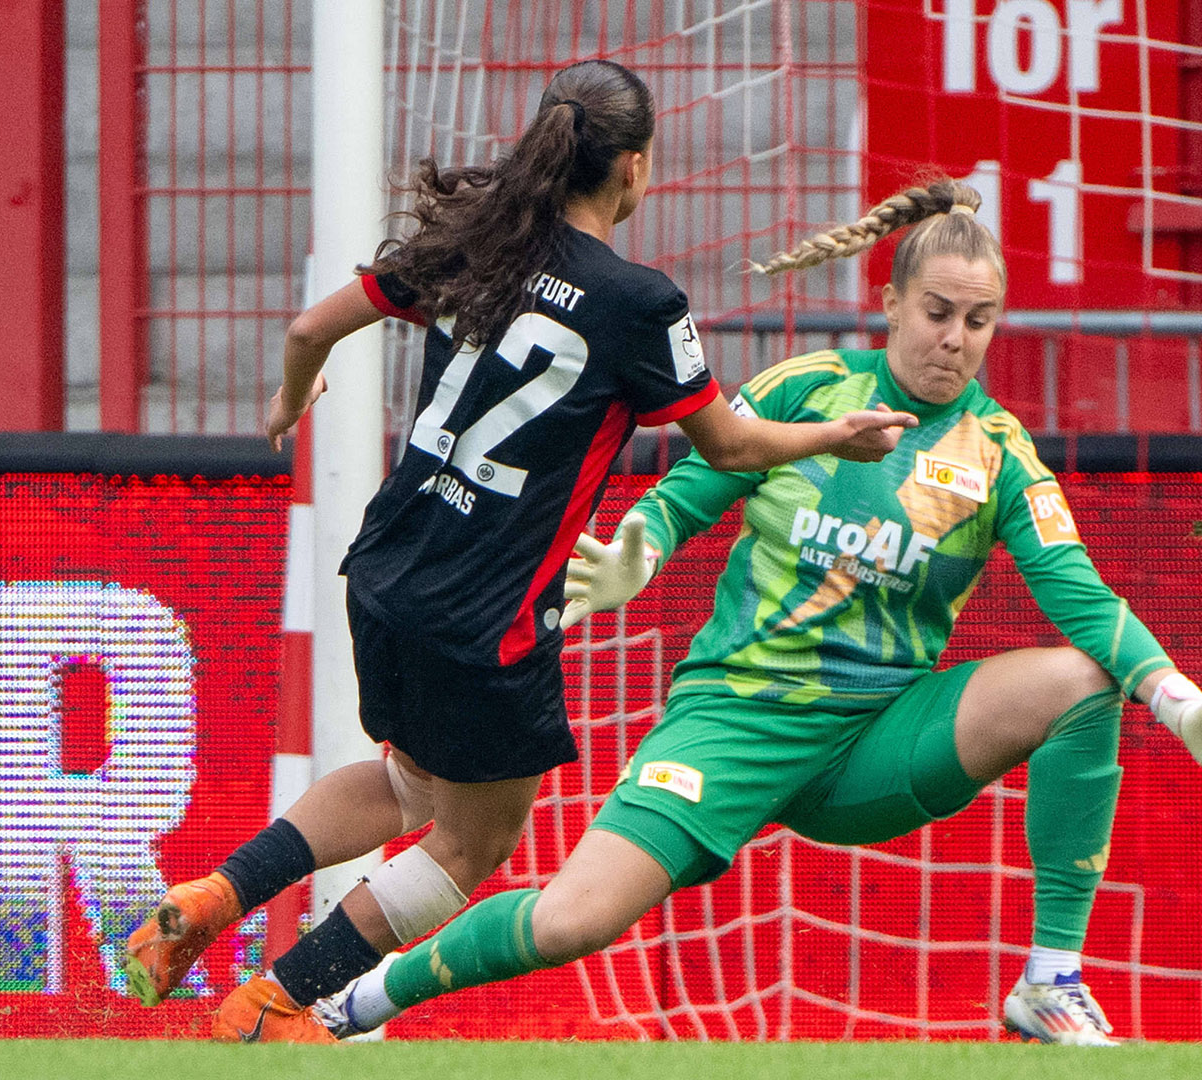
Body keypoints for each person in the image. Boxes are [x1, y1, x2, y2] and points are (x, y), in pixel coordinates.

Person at [277, 176, 1202, 1046]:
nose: (955, 340)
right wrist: (635, 557)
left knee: (1082, 684)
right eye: (938, 312)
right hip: (735, 719)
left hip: (877, 741)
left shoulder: (999, 454)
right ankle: (356, 1006)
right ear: (891, 301)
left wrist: (1170, 698)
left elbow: (1082, 596)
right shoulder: (811, 391)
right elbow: (685, 497)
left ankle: (1050, 982)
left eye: (978, 321)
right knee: (571, 922)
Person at [119, 59, 917, 1042]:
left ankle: (208, 900)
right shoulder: (639, 302)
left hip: (386, 573)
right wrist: (836, 434)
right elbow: (733, 447)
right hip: (485, 620)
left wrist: (291, 399)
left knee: (408, 782)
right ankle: (276, 1002)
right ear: (632, 167)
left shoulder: (475, 244)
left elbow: (308, 327)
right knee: (473, 843)